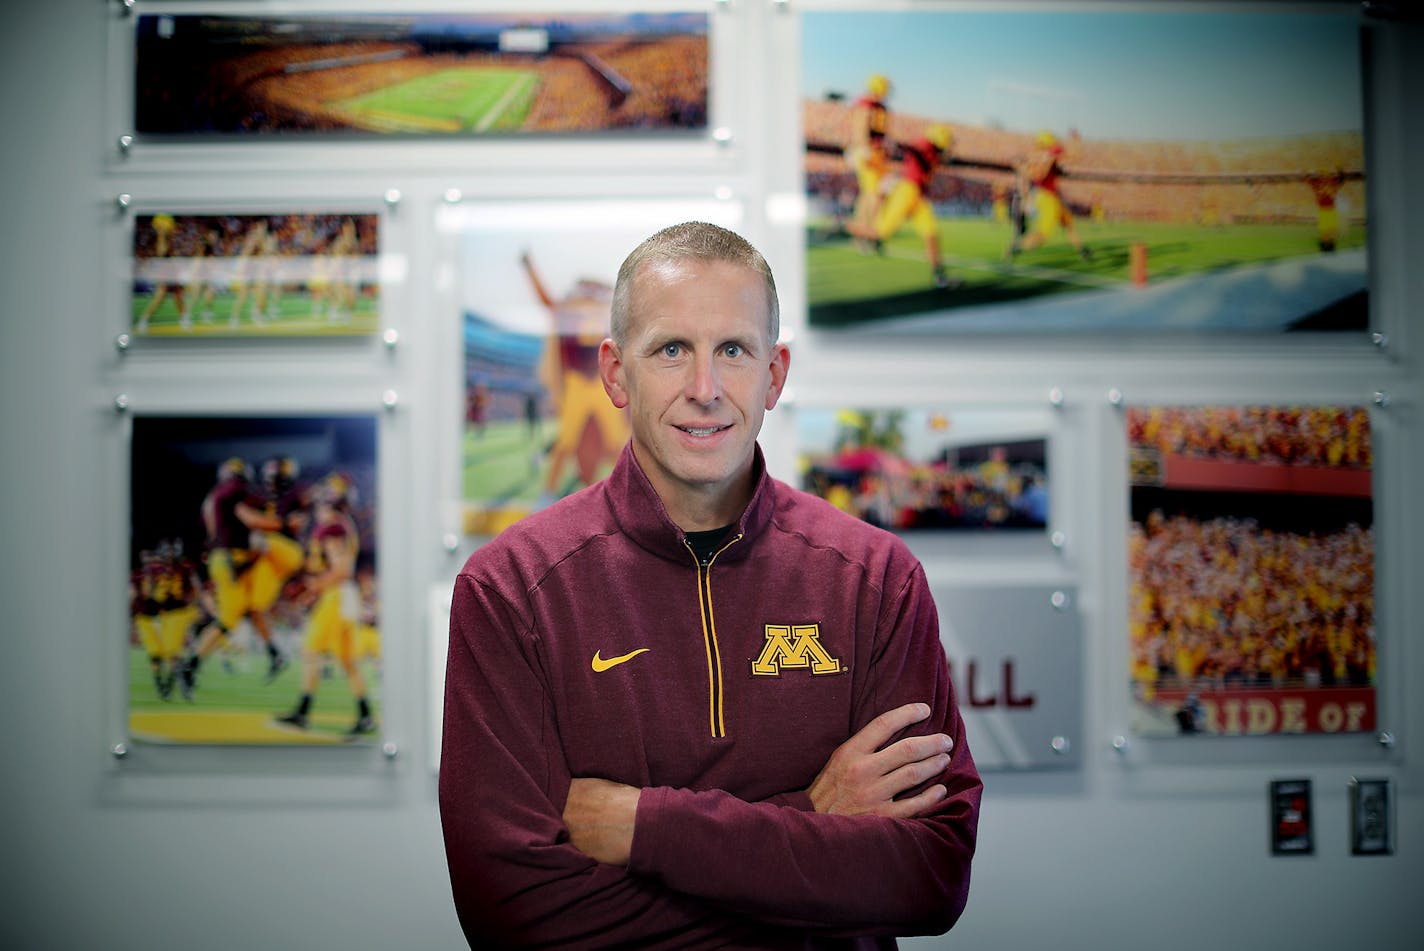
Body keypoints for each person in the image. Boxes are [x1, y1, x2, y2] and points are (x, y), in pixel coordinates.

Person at [440, 221, 981, 948]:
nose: (704, 388)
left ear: (775, 375)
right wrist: (813, 823)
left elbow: (930, 877)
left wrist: (648, 828)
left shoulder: (878, 579)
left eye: (733, 350)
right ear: (614, 374)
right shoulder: (510, 590)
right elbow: (512, 917)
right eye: (671, 350)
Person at [847, 124, 957, 289]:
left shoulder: (933, 152)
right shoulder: (925, 144)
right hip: (906, 191)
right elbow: (914, 149)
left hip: (918, 194)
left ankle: (939, 275)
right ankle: (842, 225)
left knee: (931, 233)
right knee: (879, 233)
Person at [1005, 130, 1091, 262]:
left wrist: (1027, 196)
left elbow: (1027, 177)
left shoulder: (1035, 158)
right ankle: (1018, 246)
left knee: (1068, 224)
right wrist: (1075, 142)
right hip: (1048, 197)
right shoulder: (1048, 156)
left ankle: (1082, 250)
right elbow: (1074, 157)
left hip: (1048, 196)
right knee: (1043, 234)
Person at [845, 73, 893, 253]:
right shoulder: (866, 105)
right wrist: (864, 150)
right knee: (872, 194)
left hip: (877, 155)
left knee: (876, 195)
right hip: (868, 154)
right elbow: (860, 131)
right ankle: (863, 234)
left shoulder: (881, 108)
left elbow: (880, 133)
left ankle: (866, 232)